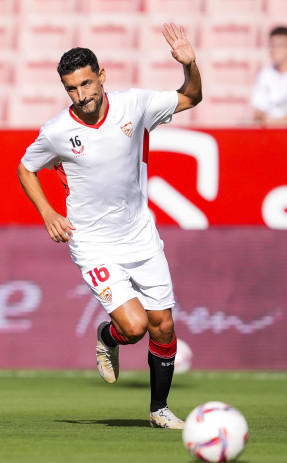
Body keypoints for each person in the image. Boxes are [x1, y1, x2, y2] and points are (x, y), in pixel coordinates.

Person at [17, 22, 202, 430]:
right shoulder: (56, 132)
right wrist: (48, 212)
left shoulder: (134, 106)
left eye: (86, 83)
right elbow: (26, 168)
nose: (81, 96)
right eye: (71, 89)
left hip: (140, 235)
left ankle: (159, 409)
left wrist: (190, 65)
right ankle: (108, 338)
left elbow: (191, 96)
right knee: (134, 327)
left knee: (164, 324)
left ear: (102, 76)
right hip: (93, 242)